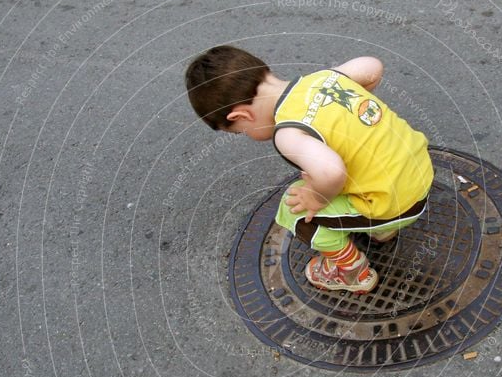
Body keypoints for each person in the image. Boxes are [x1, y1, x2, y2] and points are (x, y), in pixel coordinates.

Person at [184, 45, 434, 293]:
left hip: (397, 203)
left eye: (242, 132)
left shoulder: (288, 134)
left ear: (241, 115)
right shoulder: (324, 78)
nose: (248, 135)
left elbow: (332, 172)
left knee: (295, 209)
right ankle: (382, 229)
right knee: (357, 168)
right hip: (420, 172)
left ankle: (352, 271)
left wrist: (316, 197)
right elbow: (372, 66)